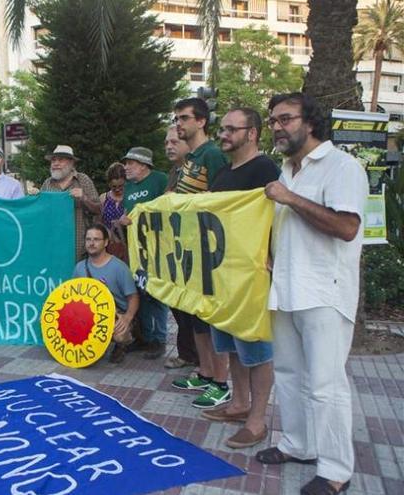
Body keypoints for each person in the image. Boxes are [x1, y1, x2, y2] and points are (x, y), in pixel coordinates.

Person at [256, 93, 366, 495]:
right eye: (273, 121)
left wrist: (289, 199)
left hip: (324, 292)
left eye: (285, 119)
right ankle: (299, 445)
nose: (277, 127)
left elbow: (347, 227)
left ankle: (336, 470)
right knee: (288, 375)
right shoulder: (287, 170)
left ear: (310, 122)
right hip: (285, 290)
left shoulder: (342, 167)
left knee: (326, 385)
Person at [199, 107, 281, 448]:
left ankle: (258, 420)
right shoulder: (221, 174)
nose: (224, 134)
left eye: (232, 129)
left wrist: (274, 258)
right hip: (225, 278)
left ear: (252, 133)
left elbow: (278, 216)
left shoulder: (265, 169)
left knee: (257, 349)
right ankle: (239, 403)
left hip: (252, 278)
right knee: (232, 345)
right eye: (223, 129)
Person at [169, 97, 231, 409]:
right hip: (188, 250)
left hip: (209, 250)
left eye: (184, 118)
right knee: (194, 318)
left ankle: (221, 382)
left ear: (201, 121)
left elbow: (221, 201)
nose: (178, 124)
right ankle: (205, 373)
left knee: (208, 318)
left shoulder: (213, 154)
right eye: (177, 118)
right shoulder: (190, 159)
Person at [116, 147, 168, 361]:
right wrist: (123, 221)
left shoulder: (160, 180)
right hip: (137, 250)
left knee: (157, 294)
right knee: (140, 292)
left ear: (144, 164)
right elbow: (128, 214)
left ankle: (159, 339)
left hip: (159, 248)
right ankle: (145, 337)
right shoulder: (128, 187)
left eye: (130, 163)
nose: (125, 167)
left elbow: (169, 208)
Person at [73, 224, 139, 364]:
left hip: (115, 313)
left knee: (120, 335)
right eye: (88, 239)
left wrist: (127, 317)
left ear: (106, 242)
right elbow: (72, 296)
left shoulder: (119, 267)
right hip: (89, 313)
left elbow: (133, 297)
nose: (91, 243)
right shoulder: (79, 268)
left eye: (96, 239)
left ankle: (122, 343)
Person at [162, 126, 200, 370]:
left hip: (194, 249)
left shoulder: (197, 170)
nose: (169, 146)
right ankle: (187, 354)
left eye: (174, 141)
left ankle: (205, 362)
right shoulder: (174, 171)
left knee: (194, 309)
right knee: (178, 306)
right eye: (166, 142)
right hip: (174, 248)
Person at [40, 145, 100, 260]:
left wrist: (84, 198)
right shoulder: (47, 184)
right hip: (54, 248)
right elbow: (41, 213)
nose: (56, 163)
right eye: (53, 160)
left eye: (61, 160)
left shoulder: (83, 180)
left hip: (79, 250)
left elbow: (98, 209)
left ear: (71, 163)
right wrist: (35, 198)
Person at [97, 162, 127, 261]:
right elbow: (98, 222)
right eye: (114, 186)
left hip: (128, 245)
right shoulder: (103, 198)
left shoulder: (130, 198)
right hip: (108, 246)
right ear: (109, 183)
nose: (118, 189)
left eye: (121, 186)